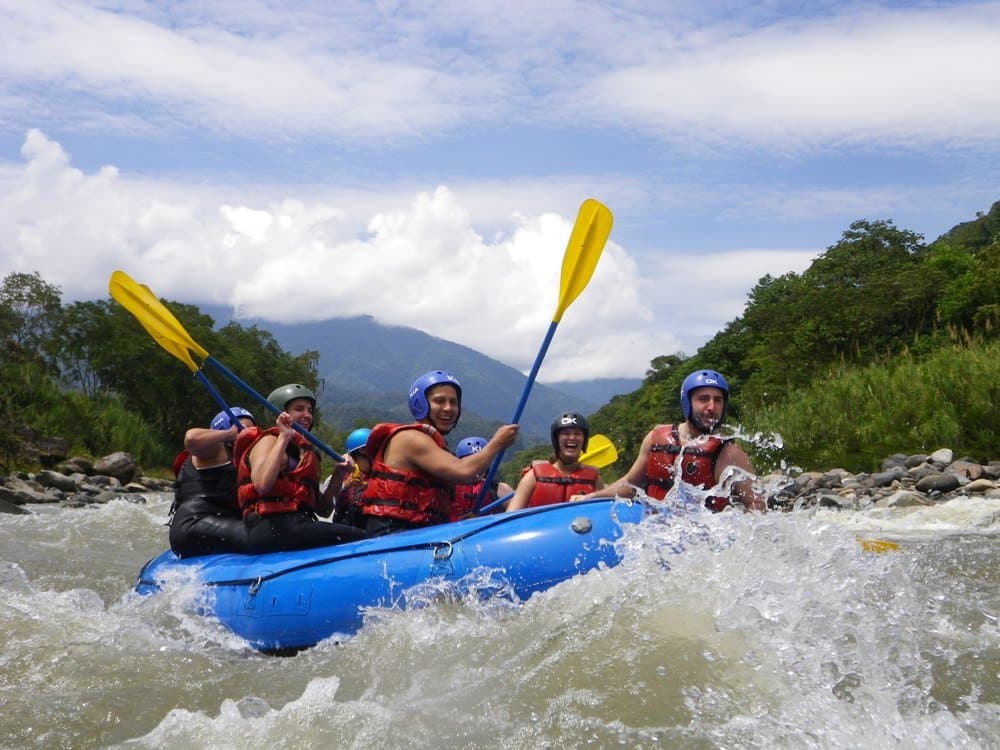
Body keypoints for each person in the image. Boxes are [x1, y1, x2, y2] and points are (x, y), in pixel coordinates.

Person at [358, 370, 519, 535]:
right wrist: (497, 443)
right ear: (420, 404)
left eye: (453, 402)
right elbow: (465, 472)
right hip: (390, 534)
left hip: (416, 534)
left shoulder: (434, 444)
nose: (448, 408)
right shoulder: (410, 438)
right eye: (439, 401)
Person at [582, 369, 764, 512]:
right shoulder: (656, 438)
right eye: (703, 399)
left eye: (718, 400)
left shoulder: (730, 454)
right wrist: (594, 496)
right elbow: (630, 486)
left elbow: (756, 505)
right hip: (655, 535)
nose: (711, 407)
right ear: (687, 402)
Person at [233, 383, 371, 553]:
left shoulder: (304, 453)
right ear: (280, 412)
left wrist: (338, 473)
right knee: (366, 538)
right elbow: (262, 485)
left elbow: (324, 510)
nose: (307, 415)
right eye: (299, 409)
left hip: (297, 526)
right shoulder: (267, 441)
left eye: (309, 410)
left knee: (352, 533)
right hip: (270, 527)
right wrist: (284, 436)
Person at [169, 407, 255, 558]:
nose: (250, 433)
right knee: (265, 536)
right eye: (244, 428)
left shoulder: (246, 459)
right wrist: (230, 434)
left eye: (252, 429)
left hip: (215, 524)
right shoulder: (216, 450)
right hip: (195, 523)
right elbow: (191, 439)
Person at [506, 412, 605, 511]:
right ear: (556, 440)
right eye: (566, 433)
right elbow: (510, 515)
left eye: (577, 434)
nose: (572, 437)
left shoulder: (595, 479)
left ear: (584, 440)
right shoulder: (533, 476)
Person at [450, 436, 515, 520]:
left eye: (480, 462)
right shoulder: (449, 489)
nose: (475, 467)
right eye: (470, 461)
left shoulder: (499, 489)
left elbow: (516, 512)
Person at [322, 427, 372, 529]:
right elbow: (324, 501)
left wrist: (367, 486)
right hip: (345, 527)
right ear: (361, 452)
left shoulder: (378, 476)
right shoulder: (339, 477)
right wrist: (345, 485)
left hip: (368, 528)